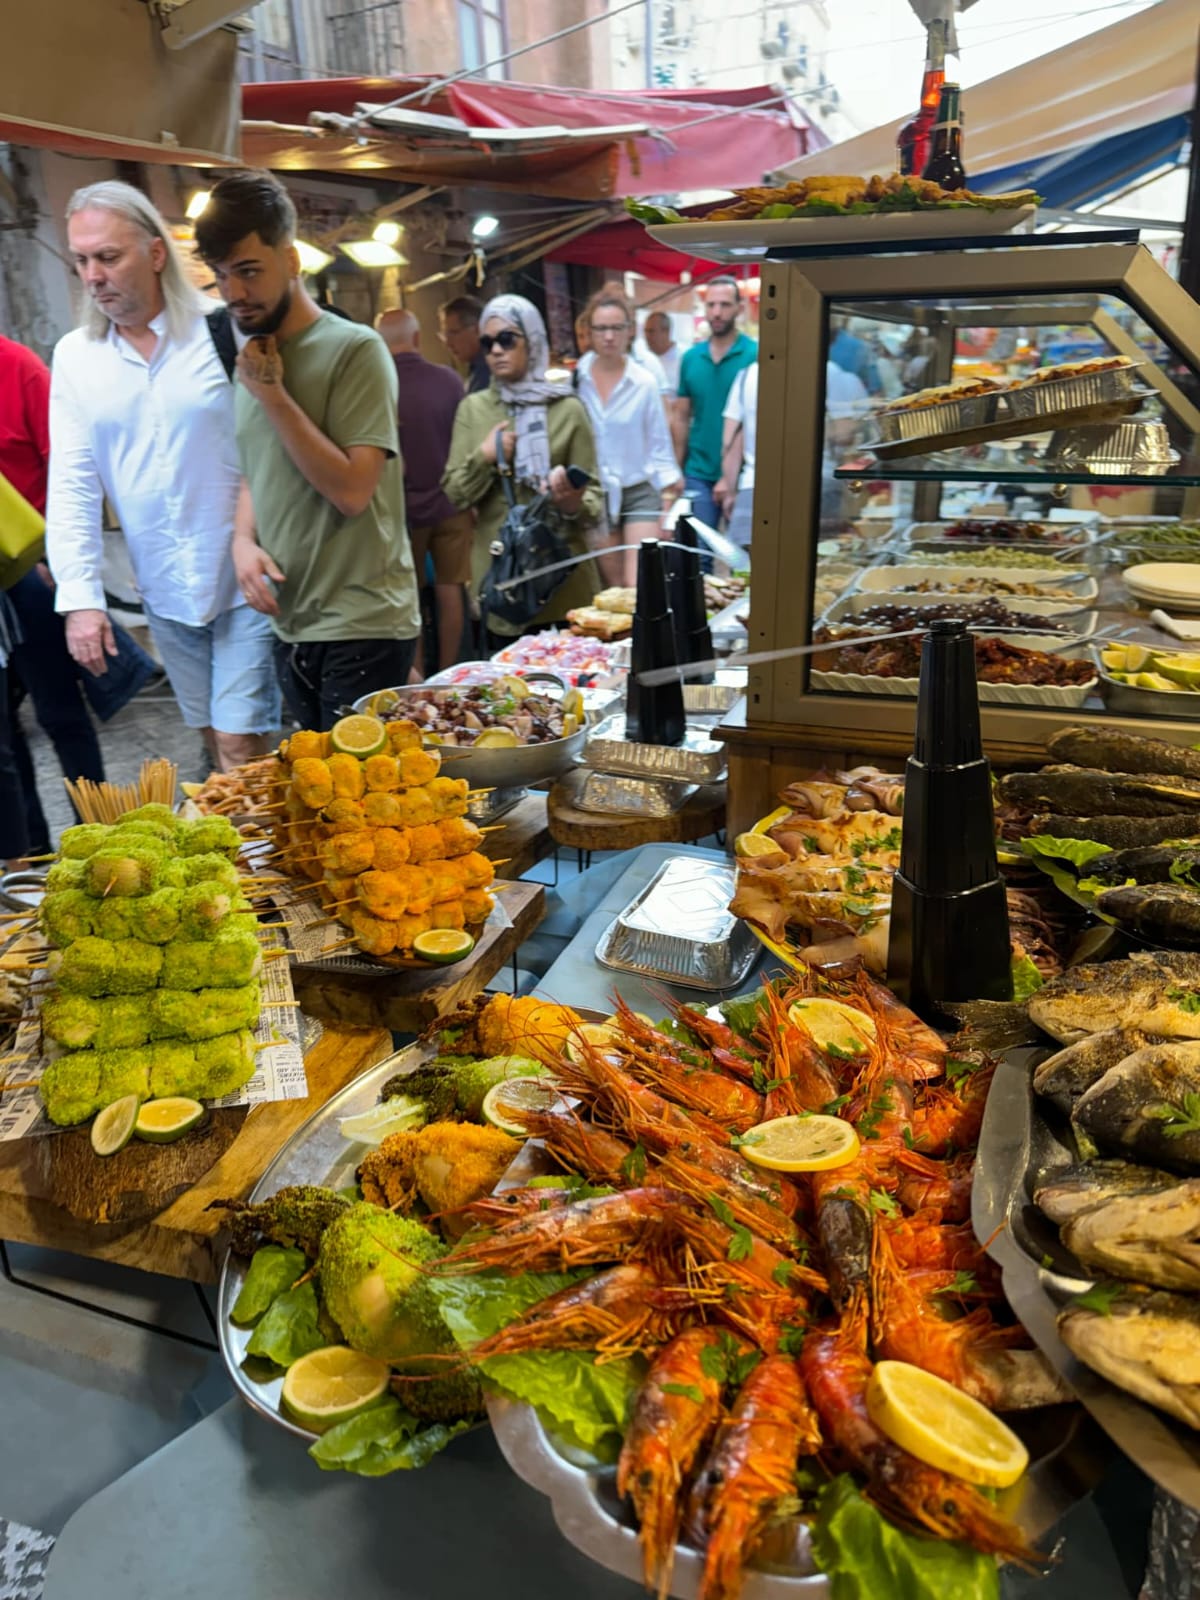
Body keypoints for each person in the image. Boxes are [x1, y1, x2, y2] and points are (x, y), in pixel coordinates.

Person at [46, 181, 279, 772]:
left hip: (247, 579)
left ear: (154, 253)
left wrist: (250, 534)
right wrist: (81, 601)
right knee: (212, 740)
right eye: (81, 260)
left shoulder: (222, 331)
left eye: (108, 257)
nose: (93, 276)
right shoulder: (76, 357)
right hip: (164, 588)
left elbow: (270, 446)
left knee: (239, 743)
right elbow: (73, 481)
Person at [194, 169, 421, 732]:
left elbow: (353, 490)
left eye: (249, 270)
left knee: (355, 789)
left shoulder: (355, 350)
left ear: (291, 260)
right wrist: (242, 541)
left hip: (363, 623)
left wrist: (273, 397)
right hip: (291, 624)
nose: (233, 293)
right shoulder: (253, 360)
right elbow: (257, 468)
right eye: (221, 275)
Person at [442, 294, 602, 651]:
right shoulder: (473, 409)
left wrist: (571, 501)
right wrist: (485, 456)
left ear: (533, 340)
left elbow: (595, 500)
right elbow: (454, 494)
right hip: (505, 585)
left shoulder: (567, 409)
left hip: (564, 583)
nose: (496, 350)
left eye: (507, 339)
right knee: (508, 684)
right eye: (488, 343)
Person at [376, 307, 471, 677]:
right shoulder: (448, 380)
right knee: (451, 588)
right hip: (452, 504)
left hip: (402, 511)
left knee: (408, 595)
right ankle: (450, 674)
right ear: (417, 338)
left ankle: (415, 679)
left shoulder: (379, 384)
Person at [575, 286, 681, 586]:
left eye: (617, 328)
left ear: (629, 331)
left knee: (639, 585)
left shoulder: (644, 381)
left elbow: (660, 445)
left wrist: (668, 501)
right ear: (590, 331)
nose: (609, 336)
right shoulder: (576, 380)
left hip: (639, 489)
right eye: (601, 328)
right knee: (613, 588)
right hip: (596, 492)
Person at [672, 276, 756, 532]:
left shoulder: (755, 355)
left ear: (739, 308)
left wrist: (729, 477)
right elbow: (681, 417)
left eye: (725, 304)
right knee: (698, 550)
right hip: (698, 471)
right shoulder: (690, 358)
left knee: (742, 549)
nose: (717, 312)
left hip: (743, 474)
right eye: (711, 305)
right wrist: (677, 470)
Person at [715, 361, 757, 552]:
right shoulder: (831, 373)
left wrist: (731, 490)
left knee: (747, 564)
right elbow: (842, 434)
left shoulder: (748, 375)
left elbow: (731, 440)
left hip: (754, 484)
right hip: (818, 484)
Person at [438, 295, 490, 395]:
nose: (448, 343)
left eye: (453, 333)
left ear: (478, 330)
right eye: (445, 335)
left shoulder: (488, 373)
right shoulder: (478, 371)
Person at [639, 310, 681, 395]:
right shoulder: (641, 359)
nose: (647, 336)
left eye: (651, 331)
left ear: (666, 332)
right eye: (645, 331)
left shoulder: (684, 358)